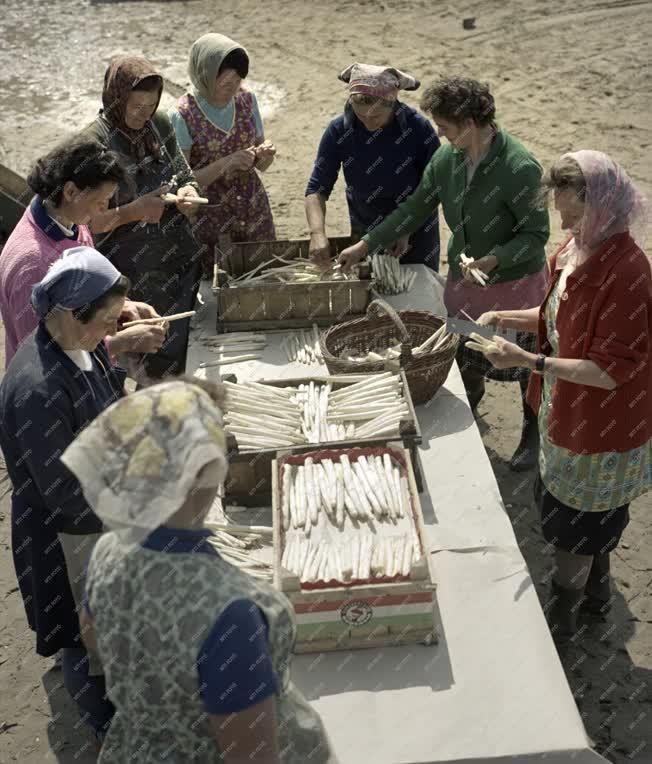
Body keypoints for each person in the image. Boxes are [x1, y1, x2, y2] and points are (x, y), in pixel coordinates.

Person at [60, 380, 335, 763]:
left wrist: (162, 685)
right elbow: (251, 755)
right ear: (203, 471)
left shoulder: (108, 549)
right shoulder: (231, 611)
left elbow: (92, 635)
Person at [473, 150, 651, 644]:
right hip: (564, 411)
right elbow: (557, 317)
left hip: (600, 425)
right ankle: (595, 593)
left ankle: (563, 619)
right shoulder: (572, 252)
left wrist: (528, 362)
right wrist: (503, 317)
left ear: (606, 206)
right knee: (584, 518)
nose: (565, 223)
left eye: (573, 213)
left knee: (578, 527)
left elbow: (608, 372)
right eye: (561, 212)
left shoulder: (629, 273)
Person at [338, 77, 550, 470]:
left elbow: (537, 236)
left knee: (524, 368)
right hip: (467, 288)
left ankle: (531, 436)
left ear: (470, 122)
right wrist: (366, 244)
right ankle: (471, 410)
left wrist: (493, 260)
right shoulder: (446, 160)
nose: (438, 133)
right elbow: (415, 208)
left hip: (515, 287)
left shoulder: (520, 167)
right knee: (469, 356)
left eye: (445, 126)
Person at [0, 247, 133, 742]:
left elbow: (100, 395)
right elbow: (66, 494)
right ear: (71, 312)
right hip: (64, 538)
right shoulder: (37, 388)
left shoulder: (80, 341)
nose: (110, 332)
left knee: (102, 635)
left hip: (92, 522)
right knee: (81, 640)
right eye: (106, 322)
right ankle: (105, 732)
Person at [84, 56, 204, 380]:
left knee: (183, 343)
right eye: (136, 106)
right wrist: (132, 212)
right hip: (131, 269)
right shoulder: (95, 143)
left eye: (150, 105)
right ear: (116, 98)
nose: (143, 114)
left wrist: (189, 194)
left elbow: (183, 173)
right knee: (143, 351)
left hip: (176, 257)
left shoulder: (161, 124)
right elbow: (88, 223)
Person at [0, 138, 166, 367]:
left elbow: (90, 289)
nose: (105, 209)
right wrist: (119, 343)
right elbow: (43, 361)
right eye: (101, 201)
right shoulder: (33, 266)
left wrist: (121, 306)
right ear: (70, 191)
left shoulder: (70, 220)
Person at [306, 63, 441, 270]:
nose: (368, 122)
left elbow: (433, 189)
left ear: (392, 105)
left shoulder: (419, 130)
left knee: (415, 293)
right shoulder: (339, 130)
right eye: (361, 116)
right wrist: (317, 234)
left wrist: (404, 230)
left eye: (376, 117)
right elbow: (317, 188)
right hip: (365, 228)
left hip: (416, 231)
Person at [170, 33, 276, 277]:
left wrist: (266, 153)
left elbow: (264, 166)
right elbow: (184, 182)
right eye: (226, 84)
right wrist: (228, 162)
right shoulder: (183, 115)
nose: (233, 89)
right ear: (205, 77)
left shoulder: (247, 100)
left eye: (237, 81)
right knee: (221, 287)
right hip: (212, 216)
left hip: (253, 208)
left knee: (263, 275)